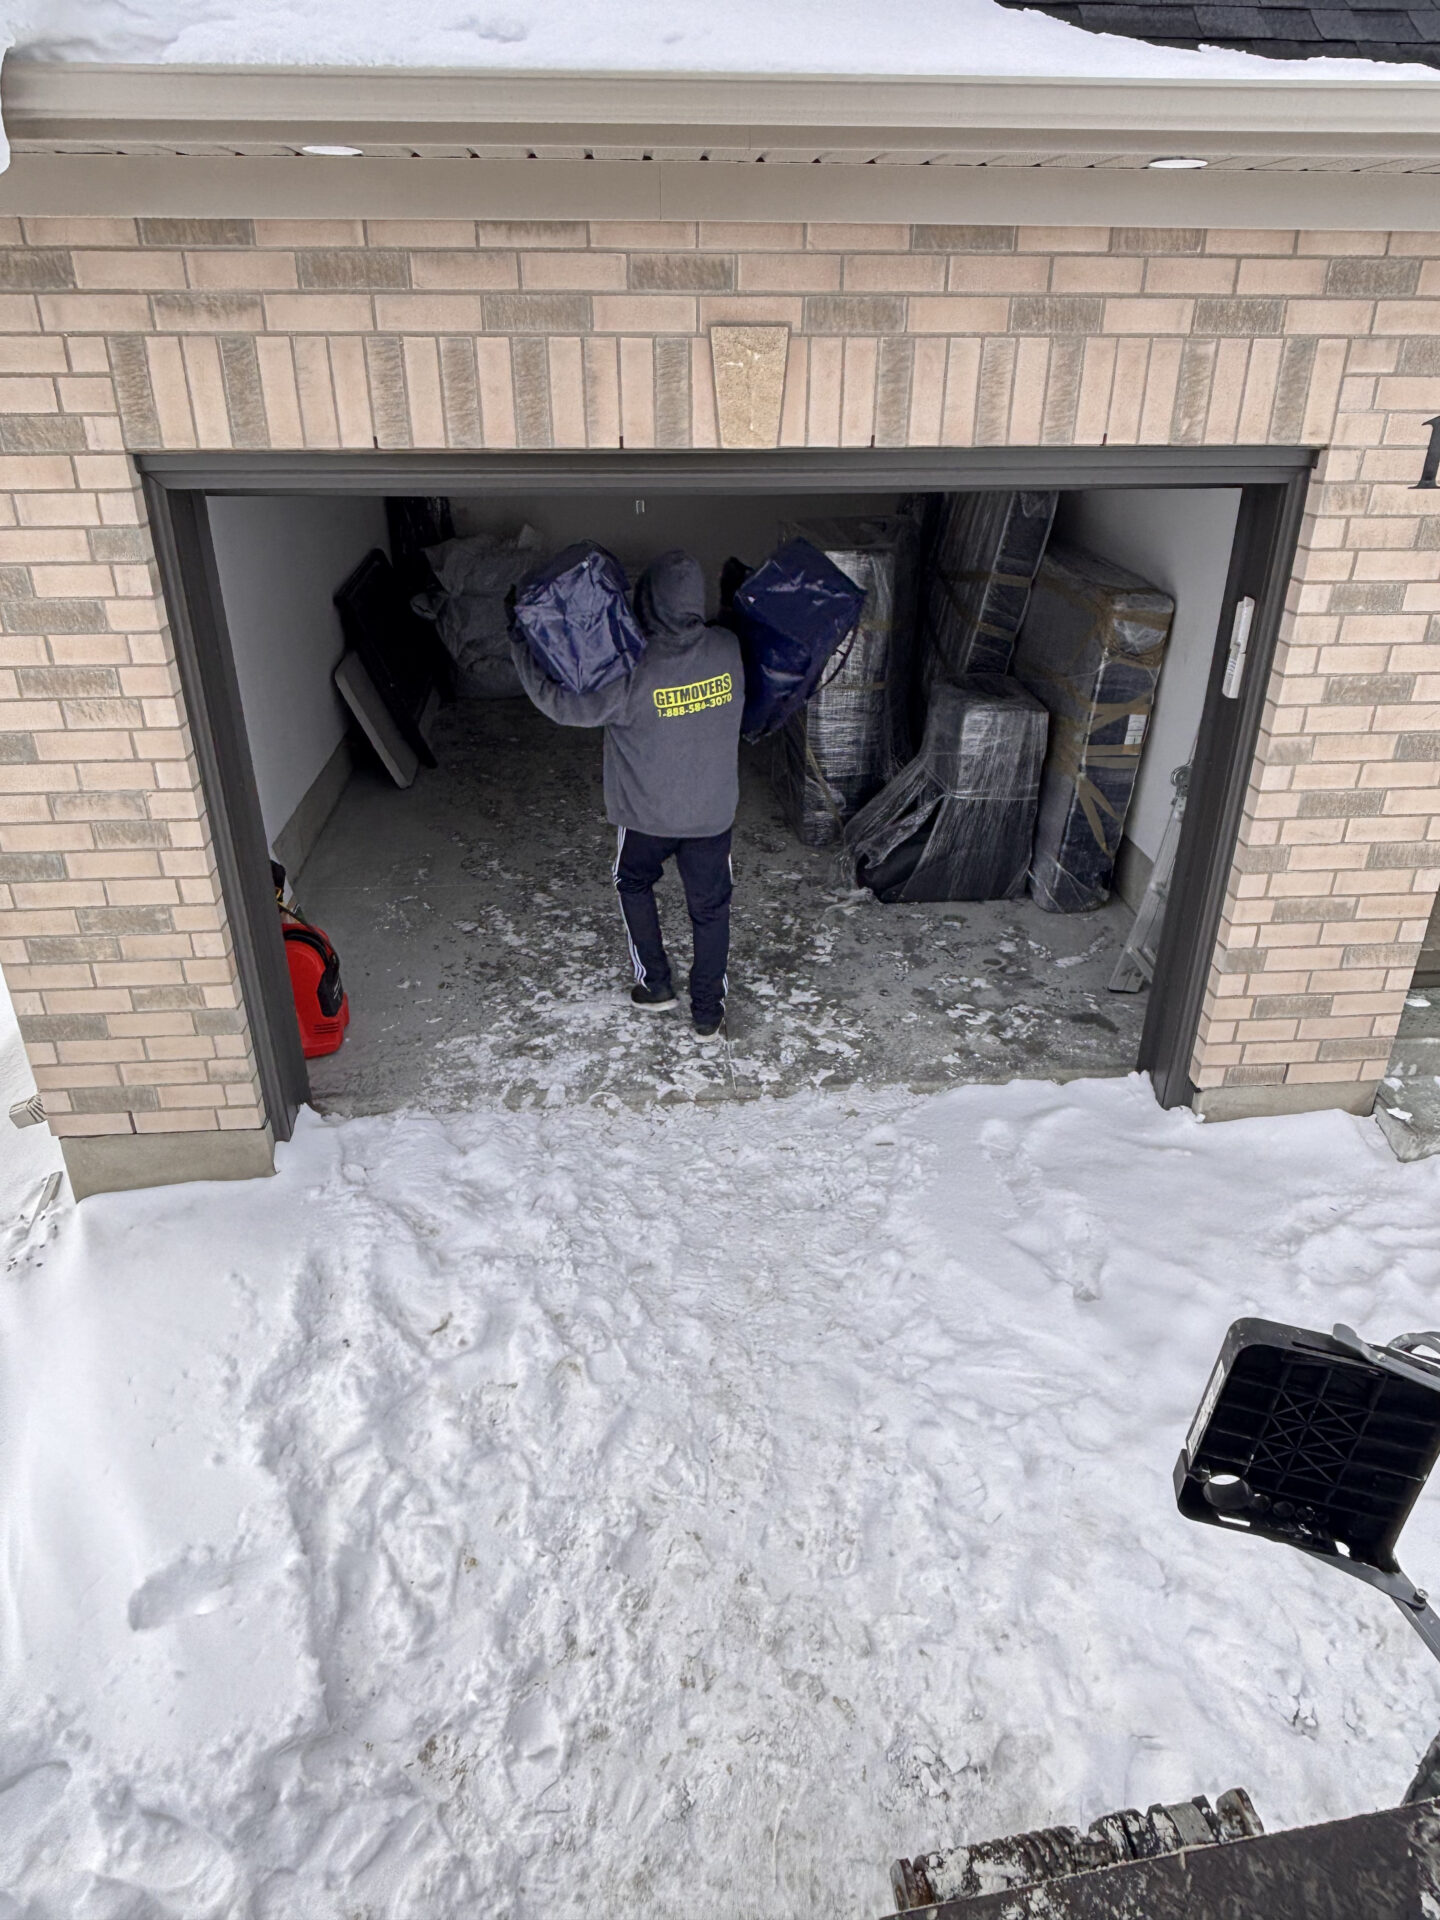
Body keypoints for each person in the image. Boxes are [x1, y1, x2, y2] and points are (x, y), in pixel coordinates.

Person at [510, 548, 744, 1040]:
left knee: (632, 882)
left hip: (646, 818)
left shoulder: (630, 669)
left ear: (647, 600)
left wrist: (520, 644)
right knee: (711, 908)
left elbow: (562, 705)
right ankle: (707, 1014)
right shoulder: (728, 649)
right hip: (711, 817)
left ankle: (656, 984)